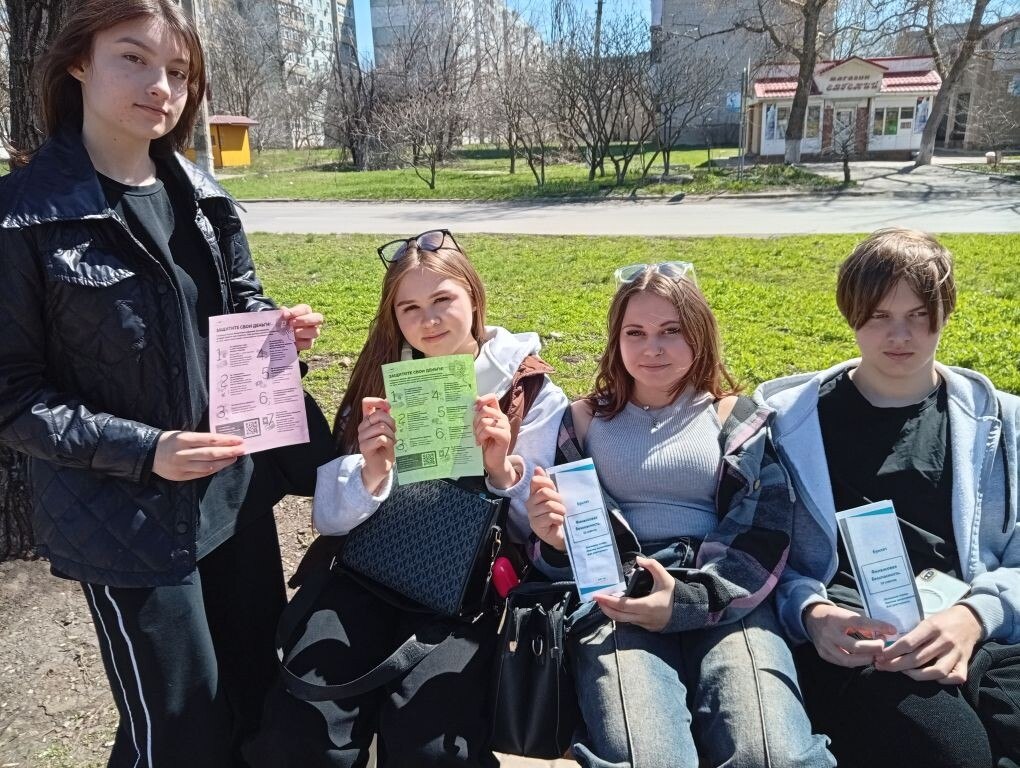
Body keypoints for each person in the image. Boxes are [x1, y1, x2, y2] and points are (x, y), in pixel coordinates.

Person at [0, 2, 325, 765]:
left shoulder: (204, 198)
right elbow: (12, 395)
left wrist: (277, 332)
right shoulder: (21, 217)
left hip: (231, 497)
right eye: (134, 58)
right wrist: (148, 450)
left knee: (254, 696)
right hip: (124, 520)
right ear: (78, 62)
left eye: (178, 72)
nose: (161, 87)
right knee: (180, 729)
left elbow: (240, 306)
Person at [246, 230, 568, 768]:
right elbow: (328, 517)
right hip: (368, 571)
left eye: (443, 300)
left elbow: (541, 527)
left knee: (431, 744)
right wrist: (370, 471)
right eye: (409, 308)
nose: (429, 321)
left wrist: (500, 470)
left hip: (466, 593)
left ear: (474, 297)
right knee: (302, 729)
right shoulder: (382, 376)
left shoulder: (527, 390)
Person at [526, 262, 833, 768]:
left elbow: (765, 531)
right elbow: (559, 554)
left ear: (700, 334)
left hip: (727, 591)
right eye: (635, 333)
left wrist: (688, 602)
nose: (652, 348)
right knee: (649, 756)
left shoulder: (734, 416)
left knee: (770, 751)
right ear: (616, 339)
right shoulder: (582, 421)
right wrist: (555, 542)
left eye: (671, 331)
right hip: (619, 596)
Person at [755, 228, 1020, 768]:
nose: (900, 335)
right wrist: (812, 614)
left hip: (977, 627)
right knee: (955, 754)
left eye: (919, 315)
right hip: (862, 644)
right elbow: (765, 557)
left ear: (945, 314)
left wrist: (975, 616)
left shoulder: (1003, 423)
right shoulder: (789, 426)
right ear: (851, 314)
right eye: (879, 316)